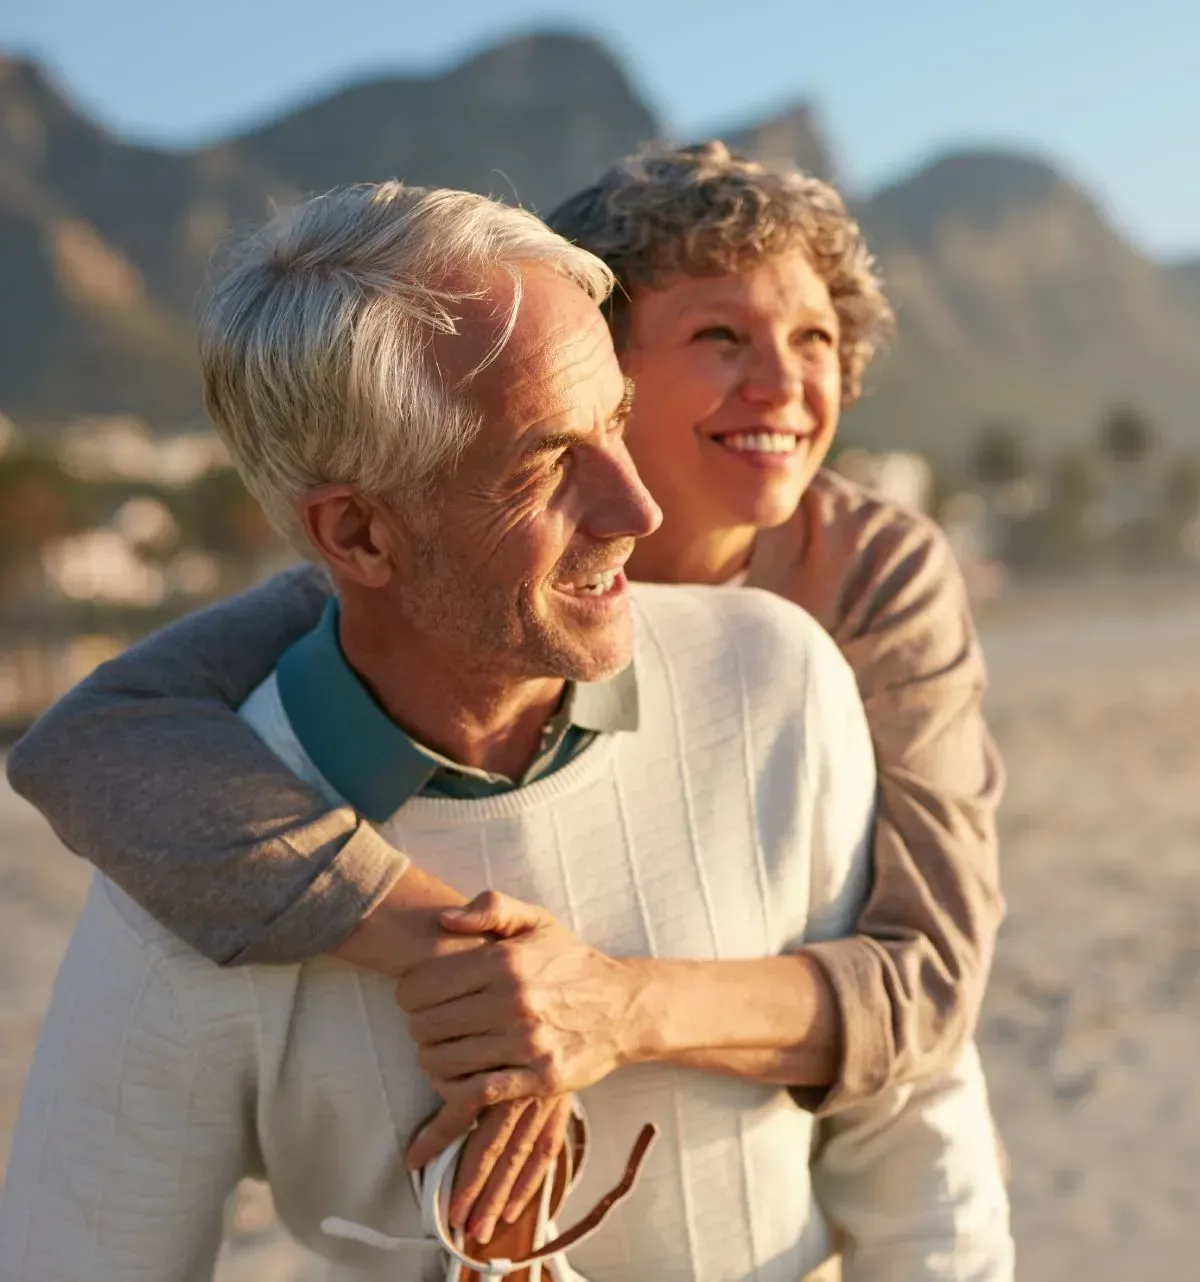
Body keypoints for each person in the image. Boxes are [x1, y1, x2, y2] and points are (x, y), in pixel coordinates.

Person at [0, 181, 1008, 1281]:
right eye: (544, 463)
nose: (641, 511)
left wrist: (607, 1005)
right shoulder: (184, 863)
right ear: (359, 535)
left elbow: (920, 1116)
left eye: (616, 424)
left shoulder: (787, 674)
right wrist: (452, 952)